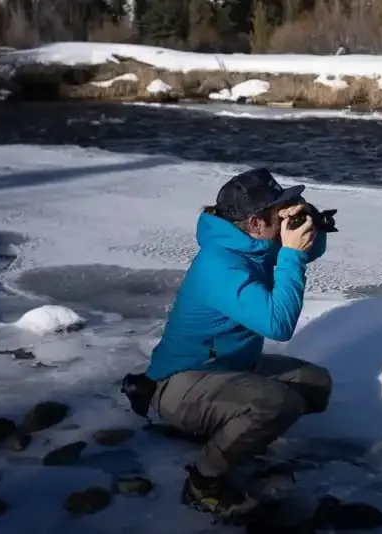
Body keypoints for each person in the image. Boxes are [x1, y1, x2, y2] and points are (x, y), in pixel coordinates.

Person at [144, 167, 333, 521]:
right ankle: (203, 483)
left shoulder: (253, 241)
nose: (286, 210)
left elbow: (309, 251)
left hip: (228, 368)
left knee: (315, 385)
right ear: (255, 223)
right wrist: (290, 256)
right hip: (179, 382)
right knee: (278, 404)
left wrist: (311, 222)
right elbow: (279, 326)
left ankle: (230, 436)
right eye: (280, 207)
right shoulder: (220, 266)